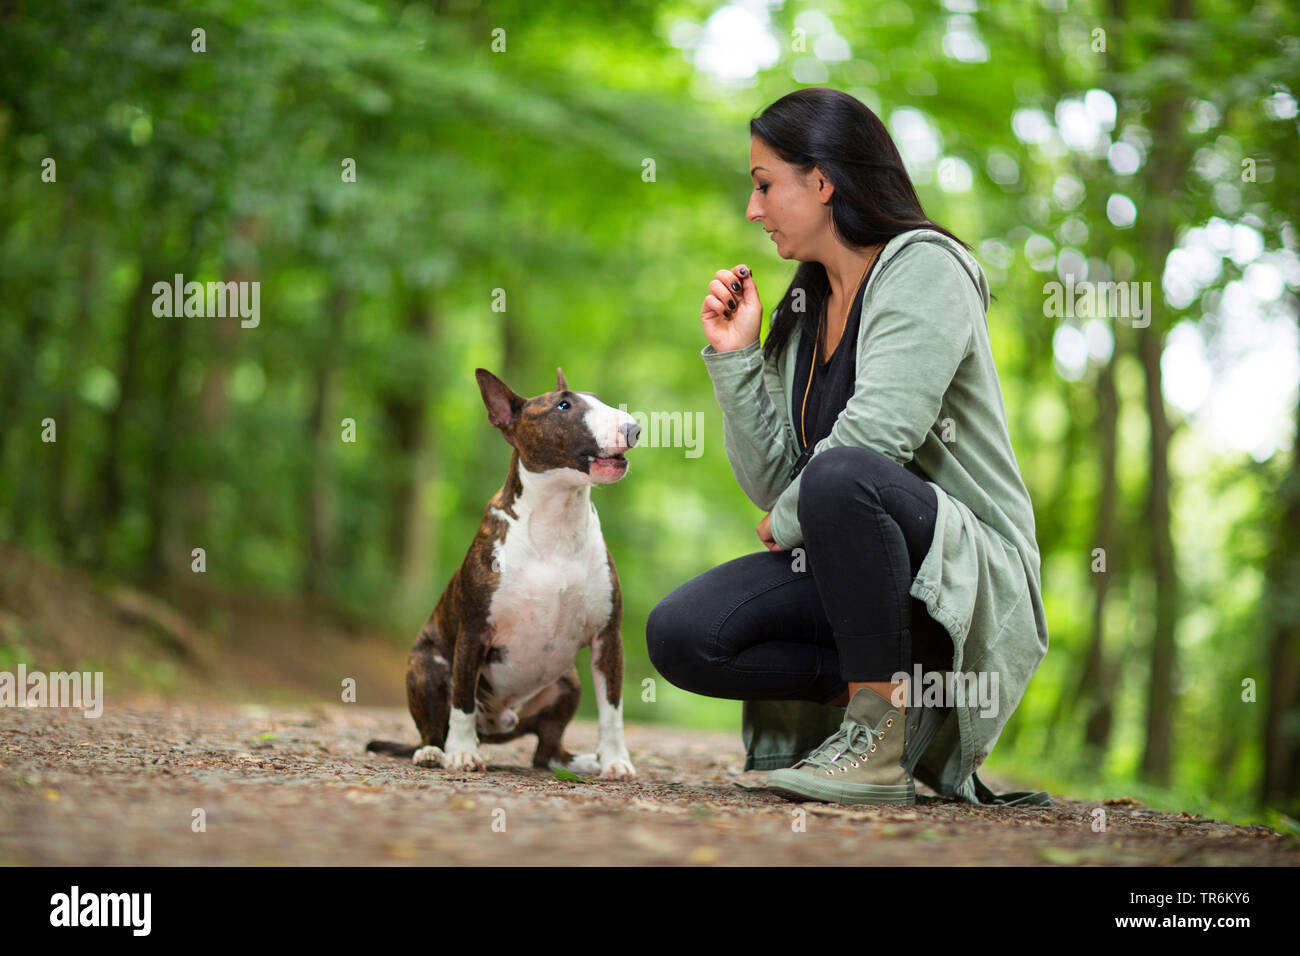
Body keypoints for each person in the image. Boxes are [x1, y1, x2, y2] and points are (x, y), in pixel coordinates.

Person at [646, 88, 1050, 807]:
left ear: (823, 182)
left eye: (764, 184)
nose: (753, 208)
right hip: (859, 563)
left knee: (840, 475)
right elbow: (777, 485)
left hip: (966, 564)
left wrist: (790, 517)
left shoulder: (926, 266)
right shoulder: (805, 310)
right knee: (683, 635)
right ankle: (907, 698)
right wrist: (736, 358)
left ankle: (878, 737)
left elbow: (880, 434)